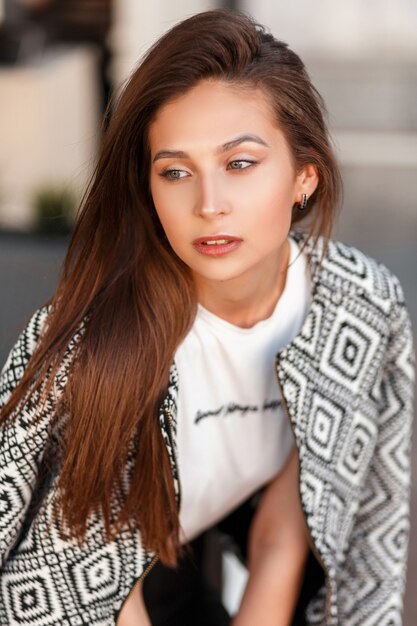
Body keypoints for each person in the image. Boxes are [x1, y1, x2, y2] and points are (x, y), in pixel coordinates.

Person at [0, 9, 414, 626]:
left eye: (240, 163)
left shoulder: (356, 305)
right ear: (149, 189)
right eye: (175, 172)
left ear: (305, 176)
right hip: (104, 579)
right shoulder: (94, 346)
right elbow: (88, 579)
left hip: (242, 533)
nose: (209, 205)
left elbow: (290, 533)